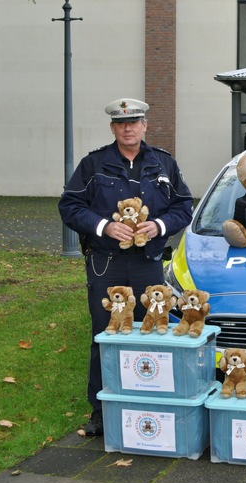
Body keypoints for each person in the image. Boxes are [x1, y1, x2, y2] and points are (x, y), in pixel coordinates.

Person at [58, 98, 193, 436]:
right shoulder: (94, 165)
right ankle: (102, 412)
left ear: (145, 125)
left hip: (148, 265)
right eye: (121, 123)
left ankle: (146, 402)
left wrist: (159, 227)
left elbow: (184, 206)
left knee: (150, 333)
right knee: (105, 335)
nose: (128, 128)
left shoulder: (164, 163)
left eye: (134, 122)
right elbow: (69, 205)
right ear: (113, 128)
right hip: (107, 265)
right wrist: (103, 226)